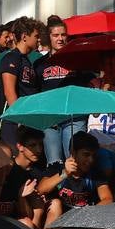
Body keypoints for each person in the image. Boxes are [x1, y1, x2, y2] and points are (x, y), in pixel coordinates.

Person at [35, 131, 111, 229]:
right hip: (59, 223)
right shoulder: (57, 168)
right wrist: (65, 173)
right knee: (55, 203)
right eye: (86, 155)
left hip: (84, 223)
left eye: (93, 156)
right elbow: (40, 189)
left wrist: (87, 213)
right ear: (73, 152)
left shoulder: (95, 173)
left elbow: (108, 199)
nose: (90, 160)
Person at [35, 17, 76, 163]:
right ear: (49, 37)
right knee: (54, 162)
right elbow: (37, 91)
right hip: (50, 118)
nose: (60, 39)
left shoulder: (76, 60)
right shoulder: (40, 64)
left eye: (63, 35)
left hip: (73, 117)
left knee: (73, 160)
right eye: (55, 35)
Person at [0, 17, 41, 150]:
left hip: (28, 120)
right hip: (14, 123)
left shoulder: (26, 60)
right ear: (24, 37)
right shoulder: (11, 58)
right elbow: (9, 92)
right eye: (36, 36)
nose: (39, 40)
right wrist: (20, 120)